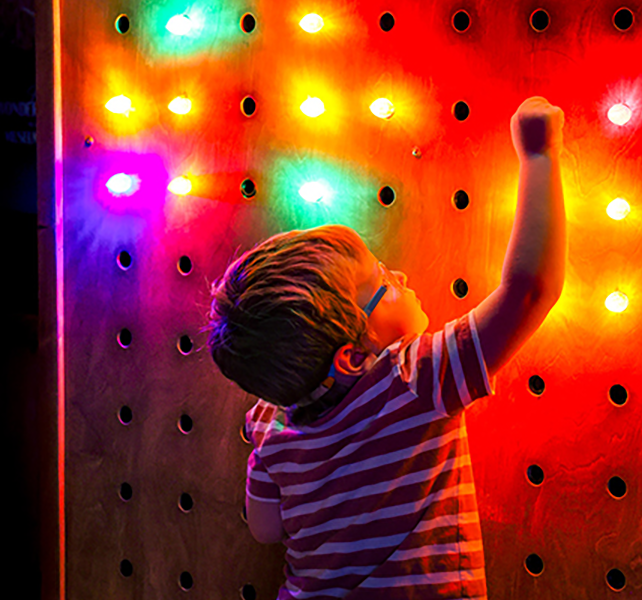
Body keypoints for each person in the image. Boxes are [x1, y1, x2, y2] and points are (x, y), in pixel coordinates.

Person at [206, 96, 566, 599]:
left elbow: (266, 528)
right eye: (382, 282)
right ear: (353, 357)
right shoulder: (412, 378)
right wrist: (539, 156)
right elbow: (528, 291)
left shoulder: (271, 423)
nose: (398, 274)